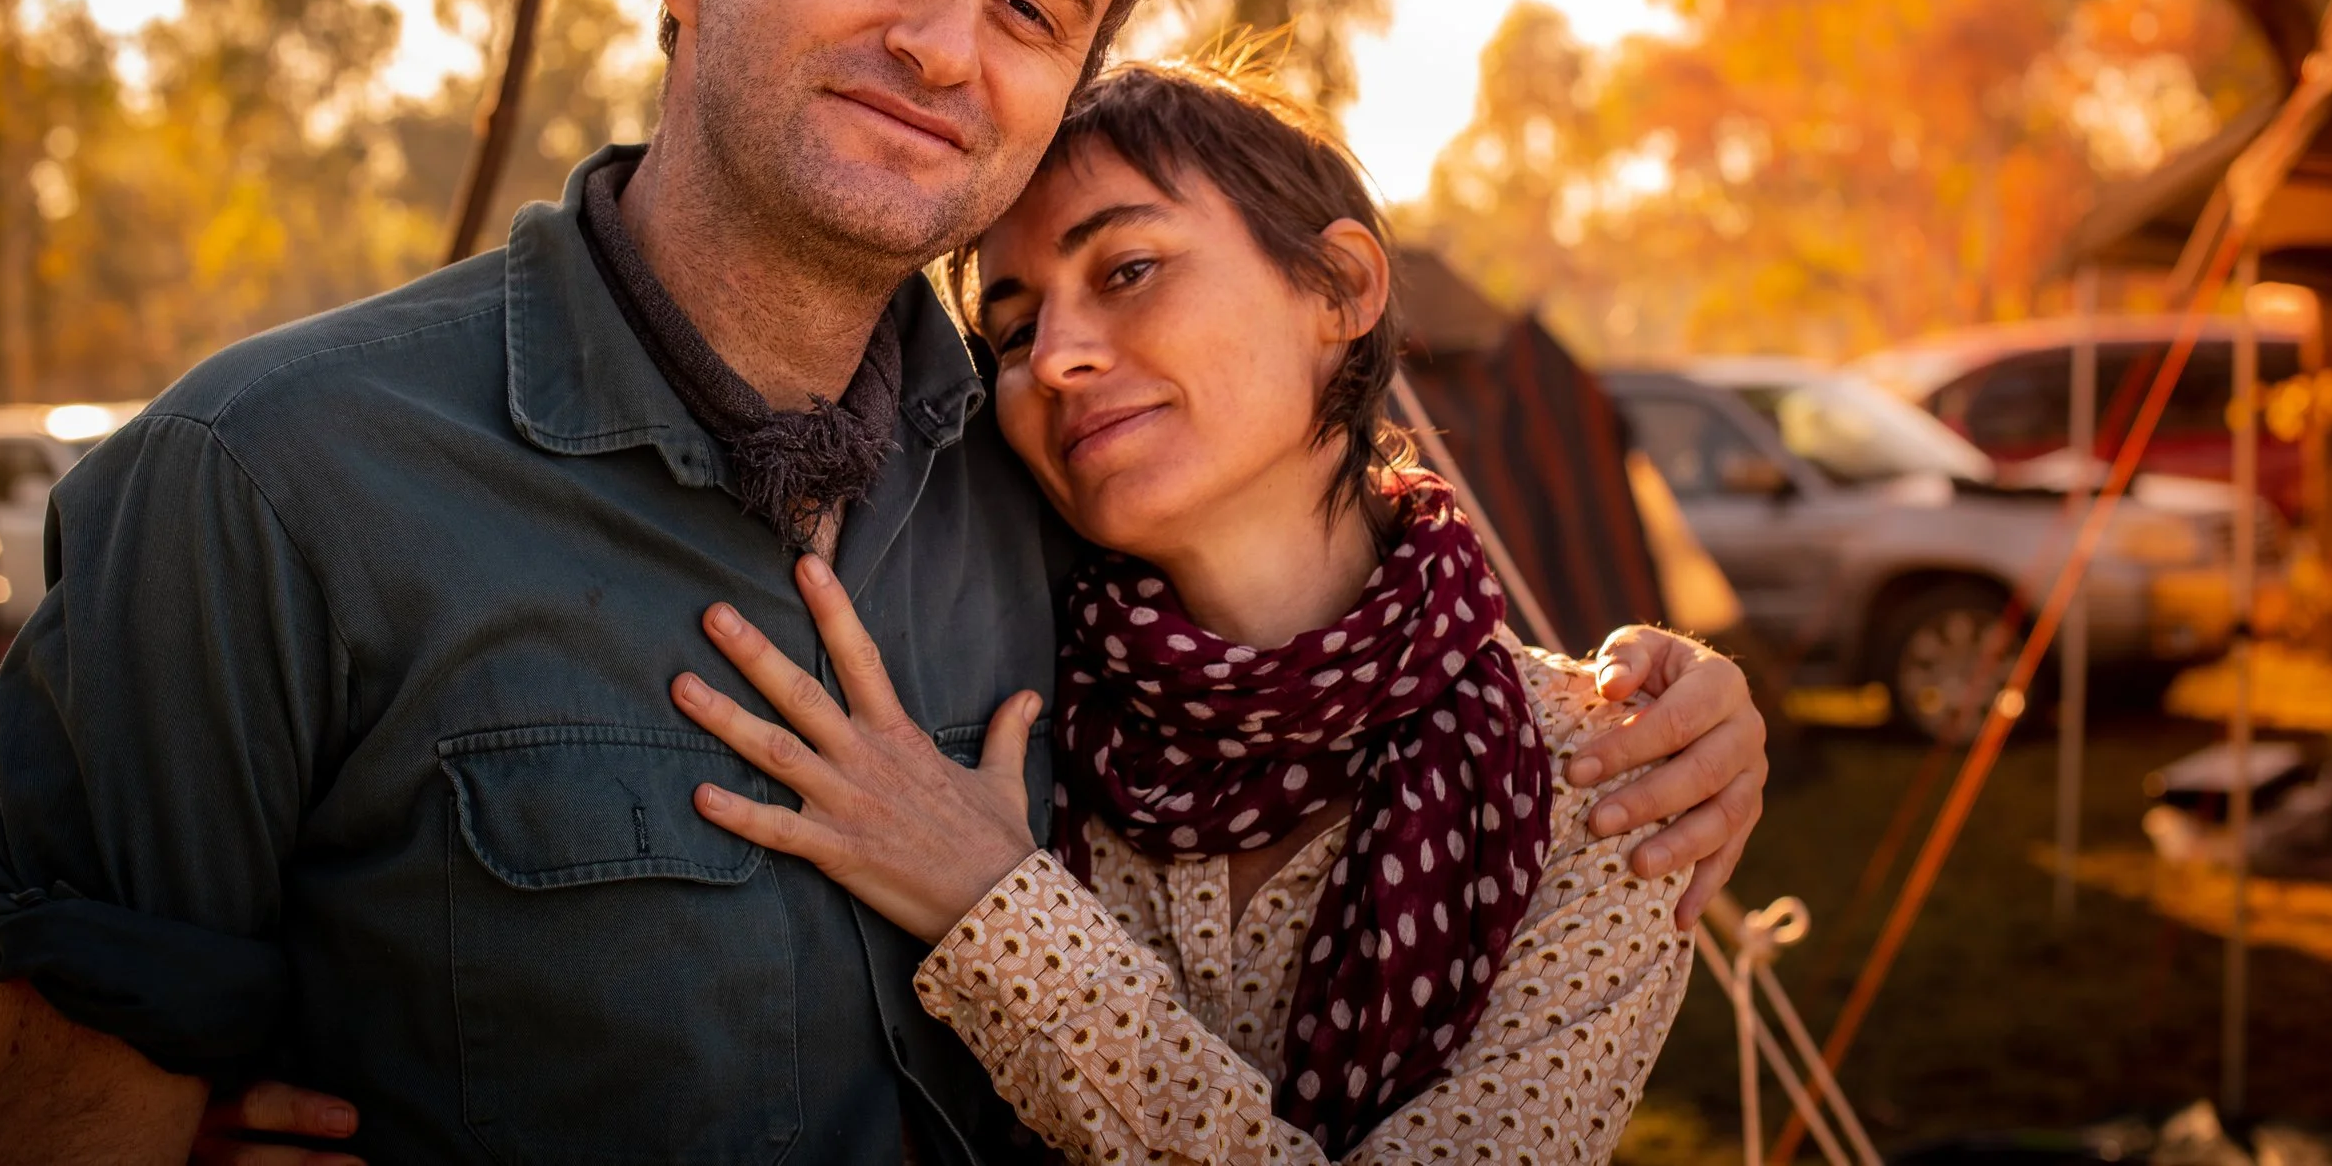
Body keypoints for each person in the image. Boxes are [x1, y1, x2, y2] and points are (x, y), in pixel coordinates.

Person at [0, 0, 1765, 1166]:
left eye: (1036, 5)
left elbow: (1327, 640)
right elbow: (87, 1089)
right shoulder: (265, 482)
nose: (943, 43)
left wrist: (1690, 717)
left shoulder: (1057, 499)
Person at [670, 60, 1697, 1163]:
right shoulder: (992, 700)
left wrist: (996, 913)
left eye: (1130, 267)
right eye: (1012, 333)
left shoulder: (1603, 781)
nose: (1056, 357)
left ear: (1341, 288)